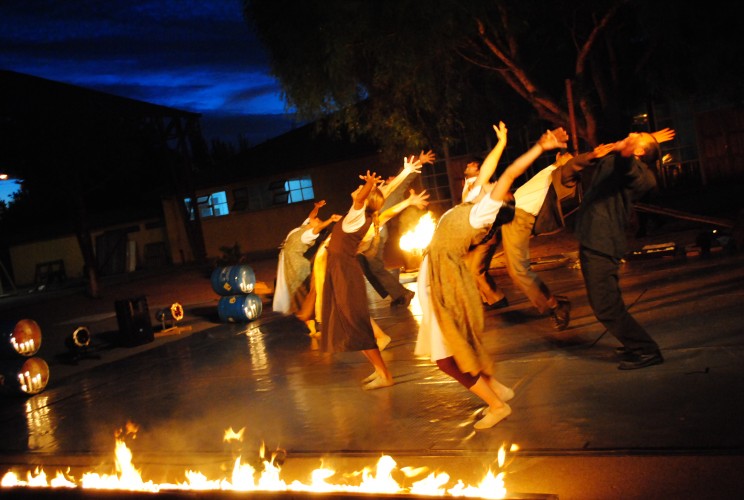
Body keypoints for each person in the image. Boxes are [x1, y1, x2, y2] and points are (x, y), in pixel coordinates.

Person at [416, 122, 569, 429]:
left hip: (444, 281)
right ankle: (495, 388)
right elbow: (486, 173)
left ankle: (496, 405)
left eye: (503, 193)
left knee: (446, 358)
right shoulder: (470, 203)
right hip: (434, 276)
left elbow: (510, 173)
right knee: (454, 347)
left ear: (500, 204)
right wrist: (500, 143)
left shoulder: (481, 213)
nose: (498, 187)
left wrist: (541, 146)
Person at [560, 128, 675, 370]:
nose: (632, 132)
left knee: (605, 307)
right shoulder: (623, 159)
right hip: (596, 237)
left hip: (601, 241)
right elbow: (612, 156)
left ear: (639, 151)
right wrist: (642, 141)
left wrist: (627, 150)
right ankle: (633, 342)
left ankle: (645, 349)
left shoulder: (637, 172)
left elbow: (626, 166)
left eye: (638, 135)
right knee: (610, 300)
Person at [320, 168, 428, 390]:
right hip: (341, 271)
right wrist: (405, 174)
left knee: (356, 326)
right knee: (352, 325)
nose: (358, 189)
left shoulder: (357, 214)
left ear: (365, 200)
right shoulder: (369, 215)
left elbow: (368, 196)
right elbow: (385, 197)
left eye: (362, 191)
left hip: (344, 274)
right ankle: (379, 371)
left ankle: (384, 374)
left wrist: (369, 184)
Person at [498, 151, 575, 330]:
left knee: (519, 271)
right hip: (511, 214)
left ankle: (555, 306)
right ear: (558, 156)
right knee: (514, 270)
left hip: (521, 217)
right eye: (567, 157)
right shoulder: (546, 170)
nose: (569, 162)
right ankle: (555, 303)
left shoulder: (560, 176)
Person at [358, 150, 436, 308]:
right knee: (370, 267)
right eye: (389, 179)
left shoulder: (396, 190)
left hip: (377, 230)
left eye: (392, 179)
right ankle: (398, 293)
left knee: (375, 267)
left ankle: (401, 293)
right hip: (373, 229)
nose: (389, 179)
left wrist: (419, 161)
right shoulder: (381, 191)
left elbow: (406, 176)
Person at [272, 200, 341, 334]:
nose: (316, 219)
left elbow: (318, 227)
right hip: (288, 263)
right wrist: (316, 208)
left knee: (303, 291)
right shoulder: (304, 226)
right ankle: (311, 324)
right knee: (296, 292)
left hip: (297, 264)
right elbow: (311, 216)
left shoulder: (309, 235)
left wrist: (330, 220)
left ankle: (317, 319)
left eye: (319, 220)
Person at [462, 148, 510, 310]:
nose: (468, 165)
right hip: (474, 233)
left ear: (481, 169)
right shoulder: (469, 184)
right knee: (468, 268)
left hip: (486, 232)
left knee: (476, 269)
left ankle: (498, 299)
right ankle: (485, 298)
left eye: (473, 165)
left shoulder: (482, 183)